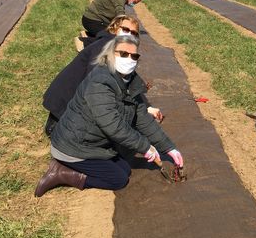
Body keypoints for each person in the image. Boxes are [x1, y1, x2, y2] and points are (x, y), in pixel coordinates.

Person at [34, 35, 183, 197]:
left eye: (134, 56)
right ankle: (62, 173)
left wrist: (169, 147)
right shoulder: (100, 81)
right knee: (118, 179)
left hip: (92, 144)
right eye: (123, 54)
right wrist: (145, 147)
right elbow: (113, 126)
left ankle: (74, 167)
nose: (129, 59)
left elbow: (143, 119)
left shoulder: (129, 82)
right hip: (72, 145)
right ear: (110, 54)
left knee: (125, 168)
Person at [43, 14, 163, 137]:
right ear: (115, 28)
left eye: (134, 33)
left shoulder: (119, 49)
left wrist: (146, 107)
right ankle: (55, 128)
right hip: (64, 104)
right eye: (126, 29)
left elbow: (131, 79)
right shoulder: (104, 45)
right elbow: (95, 82)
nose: (129, 34)